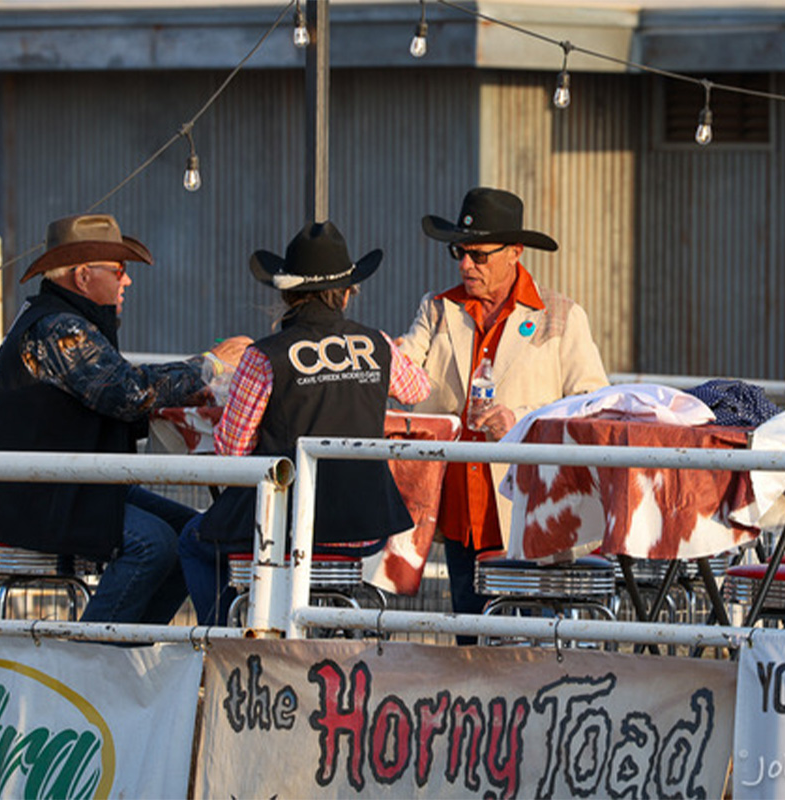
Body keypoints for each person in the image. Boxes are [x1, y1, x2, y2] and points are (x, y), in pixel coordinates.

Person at [0, 213, 249, 624]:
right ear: (84, 276)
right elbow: (127, 391)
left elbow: (109, 398)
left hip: (53, 487)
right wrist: (210, 365)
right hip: (35, 495)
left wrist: (162, 405)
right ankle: (94, 656)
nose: (127, 281)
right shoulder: (60, 328)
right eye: (119, 270)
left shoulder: (58, 320)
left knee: (192, 535)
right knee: (156, 543)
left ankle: (126, 648)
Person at [178, 220, 431, 625]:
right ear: (347, 293)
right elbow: (417, 388)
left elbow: (231, 450)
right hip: (363, 525)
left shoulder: (264, 356)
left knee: (193, 541)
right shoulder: (378, 344)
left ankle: (225, 645)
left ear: (286, 293)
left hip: (285, 527)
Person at [397, 187, 608, 634]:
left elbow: (593, 406)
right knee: (471, 642)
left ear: (515, 252)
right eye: (460, 251)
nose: (464, 264)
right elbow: (404, 369)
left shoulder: (562, 316)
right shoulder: (437, 310)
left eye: (478, 255)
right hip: (459, 507)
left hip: (531, 510)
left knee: (532, 644)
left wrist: (522, 419)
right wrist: (377, 350)